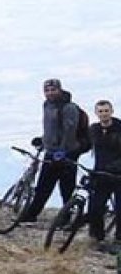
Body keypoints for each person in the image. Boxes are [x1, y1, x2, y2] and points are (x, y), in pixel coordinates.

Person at [18, 79, 91, 224]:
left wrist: (63, 152)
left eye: (53, 90)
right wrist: (43, 140)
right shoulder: (47, 105)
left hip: (68, 152)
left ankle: (66, 217)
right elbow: (51, 129)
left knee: (66, 187)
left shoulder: (69, 108)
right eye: (47, 90)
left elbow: (69, 132)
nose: (50, 93)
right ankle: (31, 215)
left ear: (60, 90)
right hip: (51, 152)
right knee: (43, 186)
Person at [87, 100, 121, 251]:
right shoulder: (93, 129)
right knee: (95, 208)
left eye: (106, 110)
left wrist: (115, 166)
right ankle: (98, 237)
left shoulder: (120, 128)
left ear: (112, 111)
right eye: (100, 111)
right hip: (100, 174)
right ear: (96, 113)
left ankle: (119, 240)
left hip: (118, 175)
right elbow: (83, 144)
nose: (104, 114)